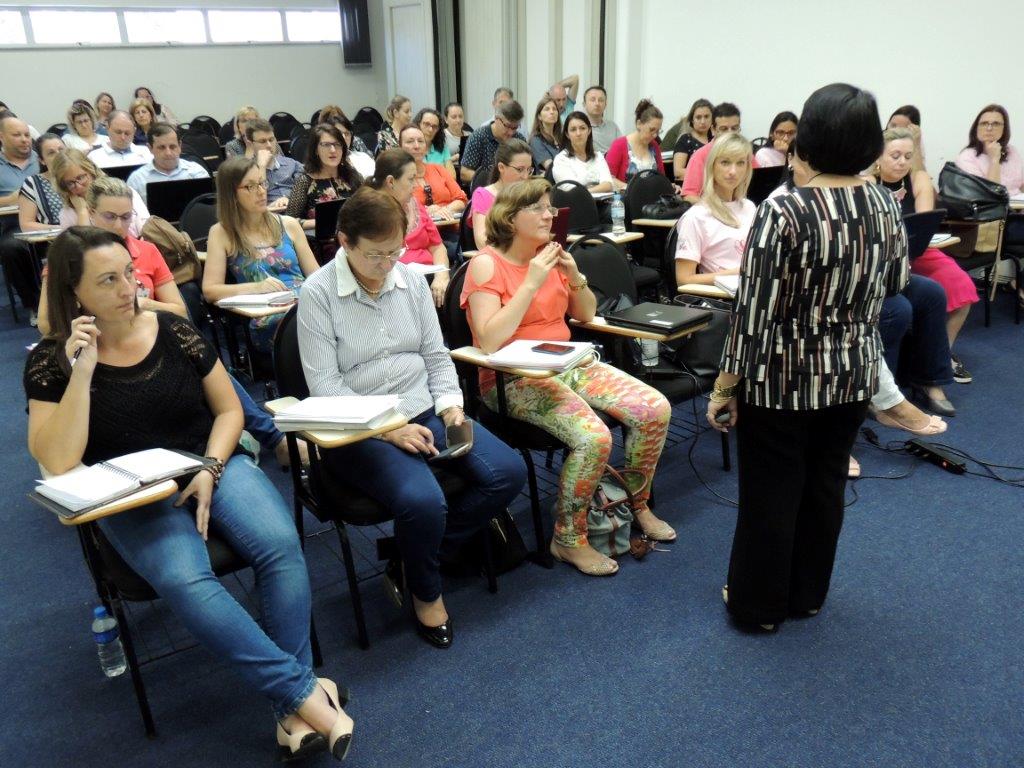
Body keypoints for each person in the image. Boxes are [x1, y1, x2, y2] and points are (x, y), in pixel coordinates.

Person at [25, 226, 352, 762]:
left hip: (207, 460)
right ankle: (304, 694)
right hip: (130, 491)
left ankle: (293, 707)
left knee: (281, 546)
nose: (128, 287)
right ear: (73, 292)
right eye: (107, 281)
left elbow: (229, 410)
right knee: (185, 579)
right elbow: (58, 461)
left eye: (129, 271)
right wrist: (80, 371)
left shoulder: (174, 330)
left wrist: (211, 467)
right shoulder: (49, 361)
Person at [706, 83, 908, 631]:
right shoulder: (885, 205)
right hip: (852, 373)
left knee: (771, 492)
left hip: (782, 378)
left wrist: (725, 386)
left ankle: (757, 607)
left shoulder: (784, 209)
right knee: (825, 487)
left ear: (809, 139)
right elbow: (896, 285)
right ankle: (807, 595)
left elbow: (752, 315)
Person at [298, 187, 526, 649]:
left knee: (507, 472)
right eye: (375, 255)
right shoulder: (318, 293)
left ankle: (412, 557)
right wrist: (390, 429)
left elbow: (436, 357)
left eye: (395, 251)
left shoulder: (408, 280)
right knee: (424, 502)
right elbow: (326, 389)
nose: (387, 265)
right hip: (358, 430)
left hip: (423, 408)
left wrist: (451, 407)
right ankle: (427, 591)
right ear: (343, 242)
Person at [461, 178, 675, 576]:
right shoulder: (486, 263)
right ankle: (568, 539)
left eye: (550, 207)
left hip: (565, 363)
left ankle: (635, 504)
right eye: (539, 209)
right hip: (512, 380)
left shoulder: (549, 255)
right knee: (594, 437)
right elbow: (489, 340)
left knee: (653, 409)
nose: (550, 215)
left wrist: (574, 274)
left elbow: (584, 314)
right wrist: (531, 283)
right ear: (510, 218)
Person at [36, 176, 302, 469]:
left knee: (205, 361)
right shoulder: (68, 257)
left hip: (153, 336)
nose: (118, 226)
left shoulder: (146, 251)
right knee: (204, 367)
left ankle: (267, 436)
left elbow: (179, 311)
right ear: (91, 212)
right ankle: (269, 435)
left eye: (126, 217)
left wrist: (140, 304)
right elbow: (49, 324)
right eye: (109, 217)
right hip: (97, 348)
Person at [871, 127, 979, 387]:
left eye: (908, 156)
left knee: (962, 284)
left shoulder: (918, 178)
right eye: (895, 155)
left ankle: (942, 353)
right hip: (885, 256)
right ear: (878, 157)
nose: (902, 162)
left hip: (918, 249)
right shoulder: (867, 183)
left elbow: (922, 223)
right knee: (922, 294)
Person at [204, 157, 319, 354]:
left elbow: (316, 276)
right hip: (269, 316)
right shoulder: (221, 233)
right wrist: (257, 287)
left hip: (304, 305)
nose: (261, 191)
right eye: (249, 187)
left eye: (262, 183)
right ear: (232, 193)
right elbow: (210, 291)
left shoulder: (288, 224)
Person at [366, 149, 450, 306]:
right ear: (391, 182)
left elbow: (438, 247)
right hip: (394, 287)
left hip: (429, 279)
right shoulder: (370, 212)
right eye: (411, 180)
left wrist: (442, 277)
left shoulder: (415, 203)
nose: (416, 186)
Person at [674, 133, 756, 288]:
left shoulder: (750, 208)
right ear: (712, 165)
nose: (733, 171)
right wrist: (740, 273)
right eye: (725, 162)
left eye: (740, 163)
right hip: (722, 300)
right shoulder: (696, 217)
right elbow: (684, 279)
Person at [0, 115, 42, 323]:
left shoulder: (41, 158)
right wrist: (10, 199)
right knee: (11, 248)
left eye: (26, 134)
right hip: (13, 223)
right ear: (1, 137)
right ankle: (34, 303)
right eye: (17, 135)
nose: (25, 139)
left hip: (46, 218)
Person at [53, 149, 150, 236]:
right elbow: (79, 251)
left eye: (81, 178)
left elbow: (146, 229)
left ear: (92, 171)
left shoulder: (123, 193)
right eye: (70, 183)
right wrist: (82, 213)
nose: (78, 186)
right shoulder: (67, 213)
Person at [286, 123, 363, 231]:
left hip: (355, 237)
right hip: (321, 242)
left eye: (337, 144)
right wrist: (320, 221)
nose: (333, 150)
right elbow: (289, 222)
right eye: (326, 145)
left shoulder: (353, 176)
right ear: (316, 149)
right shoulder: (305, 181)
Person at [682, 102, 758, 203]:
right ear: (713, 129)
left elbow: (759, 182)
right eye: (724, 129)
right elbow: (689, 195)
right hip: (711, 211)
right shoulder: (700, 156)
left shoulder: (746, 153)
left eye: (734, 128)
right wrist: (715, 210)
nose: (730, 133)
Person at [470, 139, 533, 250]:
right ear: (501, 167)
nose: (525, 176)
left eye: (529, 170)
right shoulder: (483, 195)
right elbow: (481, 241)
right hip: (500, 257)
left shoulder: (529, 194)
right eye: (520, 170)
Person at [127, 124, 209, 203]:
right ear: (150, 148)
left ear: (180, 146)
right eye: (161, 147)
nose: (168, 153)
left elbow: (208, 207)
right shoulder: (136, 180)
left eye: (172, 147)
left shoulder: (197, 172)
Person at [399, 125, 467, 221]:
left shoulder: (438, 169)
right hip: (418, 231)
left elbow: (461, 199)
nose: (417, 146)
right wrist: (426, 211)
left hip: (450, 227)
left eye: (420, 141)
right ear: (400, 147)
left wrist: (443, 211)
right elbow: (398, 210)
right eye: (410, 141)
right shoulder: (397, 178)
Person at [956, 104, 1023, 195]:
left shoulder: (1011, 151)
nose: (989, 128)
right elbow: (990, 195)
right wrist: (994, 160)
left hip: (1018, 206)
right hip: (990, 207)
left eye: (996, 124)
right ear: (976, 128)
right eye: (984, 124)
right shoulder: (966, 157)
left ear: (1004, 129)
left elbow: (1020, 185)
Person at [243, 118, 304, 213]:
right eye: (262, 141)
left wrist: (289, 199)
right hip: (268, 220)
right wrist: (262, 167)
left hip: (297, 213)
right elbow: (254, 201)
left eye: (271, 139)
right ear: (250, 144)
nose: (269, 145)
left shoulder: (291, 163)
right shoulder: (246, 170)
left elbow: (305, 189)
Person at [459, 99, 527, 184]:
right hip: (487, 189)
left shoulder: (519, 139)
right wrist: (495, 181)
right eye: (507, 126)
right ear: (496, 119)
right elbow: (465, 173)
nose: (511, 132)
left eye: (515, 128)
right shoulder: (479, 137)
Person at [551, 111, 617, 193]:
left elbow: (608, 185)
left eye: (582, 128)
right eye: (573, 130)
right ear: (567, 134)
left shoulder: (598, 156)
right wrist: (598, 188)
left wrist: (586, 191)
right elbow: (572, 191)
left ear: (589, 131)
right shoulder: (561, 159)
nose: (578, 133)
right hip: (575, 204)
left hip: (602, 204)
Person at [605, 99, 665, 183]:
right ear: (639, 124)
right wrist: (628, 188)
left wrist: (670, 185)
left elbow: (661, 177)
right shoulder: (619, 145)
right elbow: (608, 179)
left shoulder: (654, 146)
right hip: (627, 194)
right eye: (651, 130)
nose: (655, 135)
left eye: (658, 131)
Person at [18, 134, 65, 232]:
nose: (59, 155)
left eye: (61, 149)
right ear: (42, 160)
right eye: (51, 153)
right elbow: (26, 225)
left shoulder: (83, 175)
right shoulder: (33, 183)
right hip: (55, 239)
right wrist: (61, 229)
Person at [88, 111, 152, 169]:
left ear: (134, 131)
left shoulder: (145, 153)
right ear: (107, 129)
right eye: (118, 132)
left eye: (127, 133)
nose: (123, 137)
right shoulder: (94, 157)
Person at [671, 98, 713, 181]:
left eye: (706, 117)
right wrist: (709, 176)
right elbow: (678, 172)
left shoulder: (715, 140)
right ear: (692, 120)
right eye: (698, 117)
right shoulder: (685, 140)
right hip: (690, 187)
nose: (703, 121)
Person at [582, 85, 622, 154]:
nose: (597, 103)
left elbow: (623, 148)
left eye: (601, 100)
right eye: (592, 100)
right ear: (584, 104)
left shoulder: (612, 126)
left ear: (605, 104)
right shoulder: (580, 128)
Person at [413, 107, 454, 172]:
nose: (430, 130)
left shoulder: (442, 148)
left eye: (434, 126)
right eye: (426, 124)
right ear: (418, 124)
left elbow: (452, 176)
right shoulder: (411, 148)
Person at [528, 96, 563, 172]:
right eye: (547, 109)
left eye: (554, 109)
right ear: (539, 116)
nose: (552, 112)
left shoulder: (563, 137)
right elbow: (551, 168)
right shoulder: (536, 140)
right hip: (549, 182)